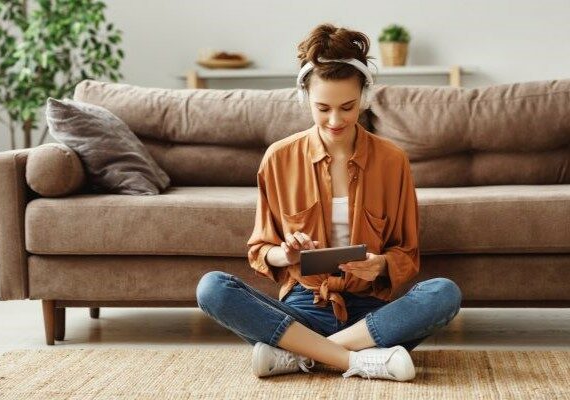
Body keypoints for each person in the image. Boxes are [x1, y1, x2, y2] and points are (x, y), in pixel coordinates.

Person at [196, 23, 462, 381]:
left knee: (444, 293)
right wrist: (286, 254)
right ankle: (359, 361)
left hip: (372, 317)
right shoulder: (278, 158)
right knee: (212, 288)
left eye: (347, 107)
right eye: (322, 108)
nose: (335, 120)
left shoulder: (392, 160)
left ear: (365, 98)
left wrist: (380, 265)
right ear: (305, 99)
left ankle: (301, 356)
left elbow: (407, 253)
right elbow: (261, 249)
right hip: (303, 309)